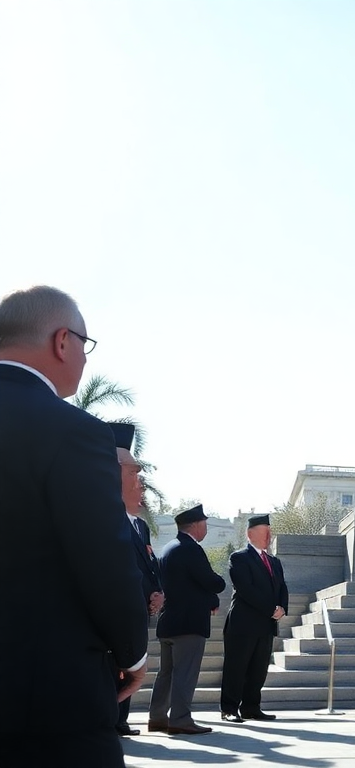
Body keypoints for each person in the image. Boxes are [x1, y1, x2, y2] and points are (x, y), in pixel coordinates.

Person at [0, 285, 149, 767]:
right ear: (62, 341)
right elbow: (103, 558)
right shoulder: (73, 431)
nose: (85, 358)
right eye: (85, 344)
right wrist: (132, 654)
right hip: (43, 701)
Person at [149, 504, 226, 735]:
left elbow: (189, 584)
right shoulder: (191, 549)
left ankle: (158, 718)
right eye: (205, 524)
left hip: (169, 621)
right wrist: (218, 586)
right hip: (188, 624)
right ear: (195, 525)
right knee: (185, 673)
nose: (206, 529)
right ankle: (180, 719)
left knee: (166, 674)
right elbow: (209, 580)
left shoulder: (169, 548)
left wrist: (209, 598)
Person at [110, 422, 163, 738]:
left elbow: (149, 566)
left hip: (138, 609)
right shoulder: (104, 517)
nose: (140, 481)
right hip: (117, 611)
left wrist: (157, 593)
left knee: (128, 665)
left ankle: (120, 719)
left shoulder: (140, 527)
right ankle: (111, 718)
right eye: (134, 473)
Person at [221, 514, 289, 722]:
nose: (269, 535)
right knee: (236, 667)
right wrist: (271, 608)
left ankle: (251, 707)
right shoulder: (239, 557)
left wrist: (282, 608)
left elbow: (282, 587)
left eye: (270, 530)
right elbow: (246, 589)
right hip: (243, 624)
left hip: (265, 625)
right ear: (250, 534)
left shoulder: (274, 561)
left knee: (258, 669)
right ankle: (229, 709)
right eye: (264, 531)